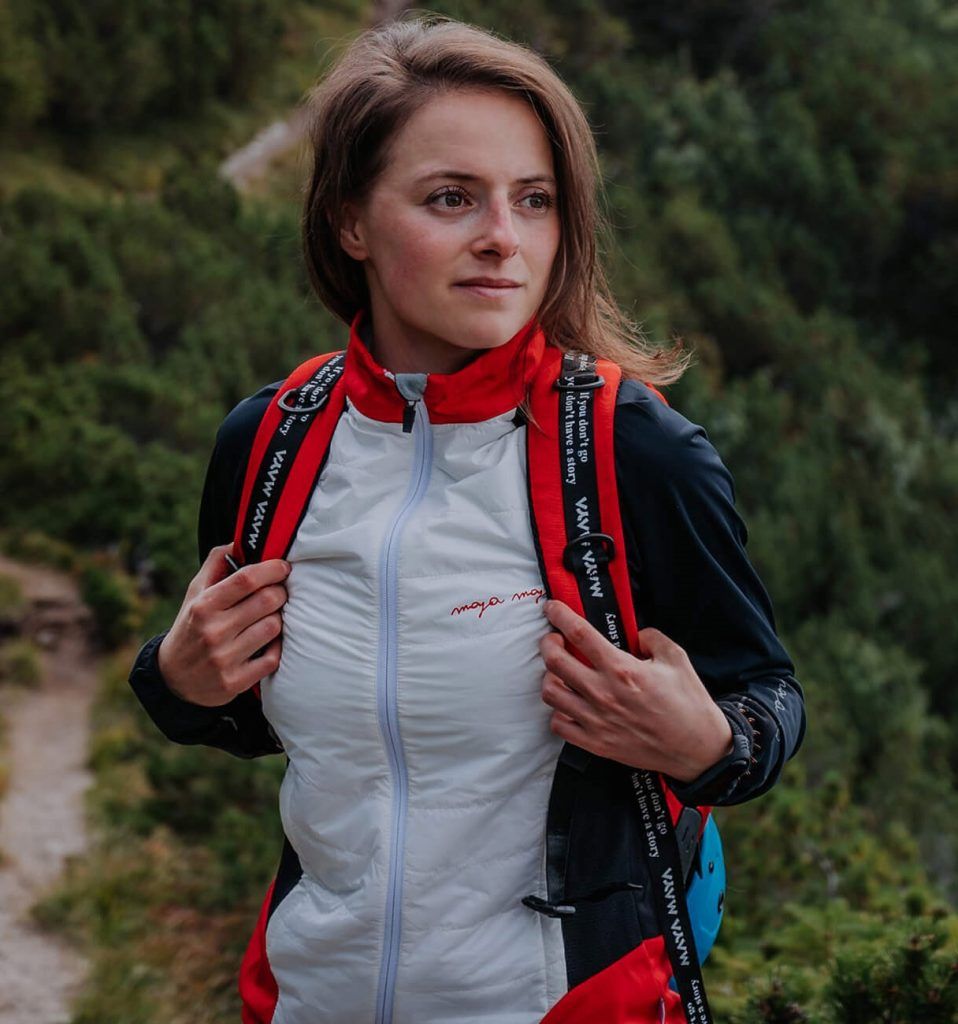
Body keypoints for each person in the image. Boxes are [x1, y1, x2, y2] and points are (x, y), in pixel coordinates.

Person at [129, 15, 806, 1024]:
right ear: (350, 221)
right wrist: (177, 682)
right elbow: (273, 720)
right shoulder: (270, 444)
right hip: (308, 999)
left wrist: (708, 739)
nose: (503, 237)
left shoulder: (635, 453)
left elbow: (768, 696)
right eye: (451, 198)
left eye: (534, 201)